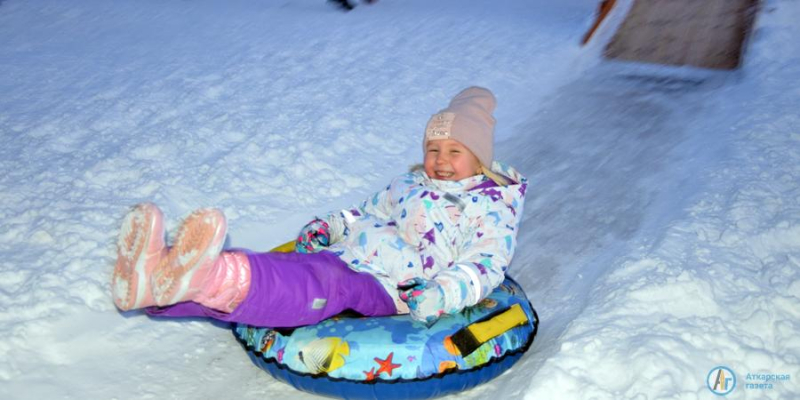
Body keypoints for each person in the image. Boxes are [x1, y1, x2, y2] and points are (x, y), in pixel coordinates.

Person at [111, 87, 527, 328]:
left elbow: (484, 264)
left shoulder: (489, 207)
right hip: (350, 255)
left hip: (393, 286)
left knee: (323, 284)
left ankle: (204, 275)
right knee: (275, 265)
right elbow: (364, 213)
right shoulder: (410, 183)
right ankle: (157, 282)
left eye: (455, 150)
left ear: (480, 158)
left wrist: (438, 293)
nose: (440, 159)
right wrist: (332, 226)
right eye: (433, 148)